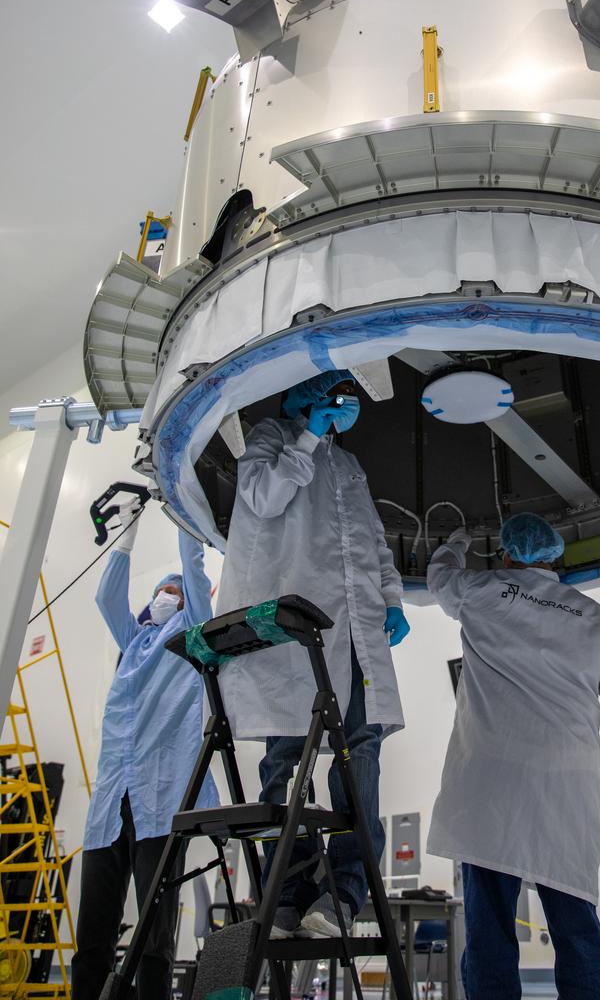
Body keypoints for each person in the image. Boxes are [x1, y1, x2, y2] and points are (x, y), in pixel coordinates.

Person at [216, 369, 410, 938]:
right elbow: (263, 498)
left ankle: (343, 895)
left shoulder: (348, 464)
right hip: (295, 631)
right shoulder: (269, 439)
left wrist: (391, 597)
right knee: (287, 755)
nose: (335, 403)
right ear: (299, 394)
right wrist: (305, 435)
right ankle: (284, 894)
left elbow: (371, 538)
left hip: (355, 629)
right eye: (324, 392)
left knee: (362, 751)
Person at [426, 512, 600, 1000]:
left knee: (488, 933)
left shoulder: (481, 592)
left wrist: (456, 544)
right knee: (577, 931)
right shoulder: (593, 617)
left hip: (489, 787)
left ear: (506, 552)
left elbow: (438, 578)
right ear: (555, 557)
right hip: (565, 789)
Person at [71, 503, 218, 1000]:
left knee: (155, 935)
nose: (163, 597)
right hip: (109, 807)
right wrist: (128, 535)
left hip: (158, 806)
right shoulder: (132, 642)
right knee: (93, 932)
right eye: (160, 592)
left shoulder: (189, 637)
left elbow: (195, 576)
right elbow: (107, 597)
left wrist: (182, 512)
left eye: (171, 594)